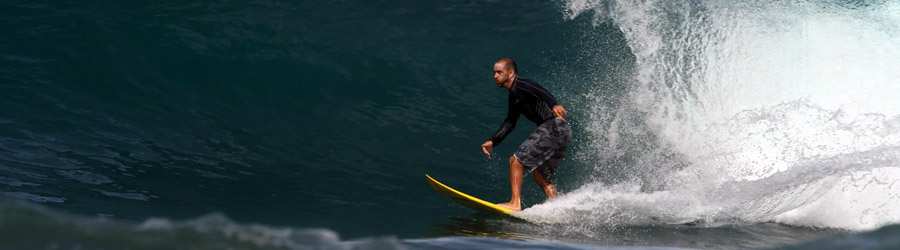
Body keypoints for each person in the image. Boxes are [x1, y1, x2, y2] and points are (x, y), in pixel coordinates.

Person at [481, 57, 572, 211]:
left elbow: (541, 90)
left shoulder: (522, 84)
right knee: (540, 174)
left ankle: (515, 203)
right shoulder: (514, 95)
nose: (494, 76)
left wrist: (554, 104)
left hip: (554, 126)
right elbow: (510, 122)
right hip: (561, 131)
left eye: (499, 72)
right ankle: (556, 207)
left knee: (516, 160)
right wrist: (493, 141)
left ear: (510, 72)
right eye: (494, 72)